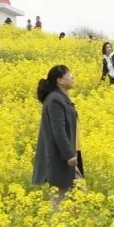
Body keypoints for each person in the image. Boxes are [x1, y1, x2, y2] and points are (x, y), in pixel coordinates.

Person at [31, 65, 82, 205]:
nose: (72, 76)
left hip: (66, 157)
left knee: (79, 197)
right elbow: (58, 130)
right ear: (59, 80)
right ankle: (57, 226)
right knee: (61, 201)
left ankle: (74, 225)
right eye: (68, 74)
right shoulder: (55, 100)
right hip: (60, 158)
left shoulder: (60, 98)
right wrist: (69, 154)